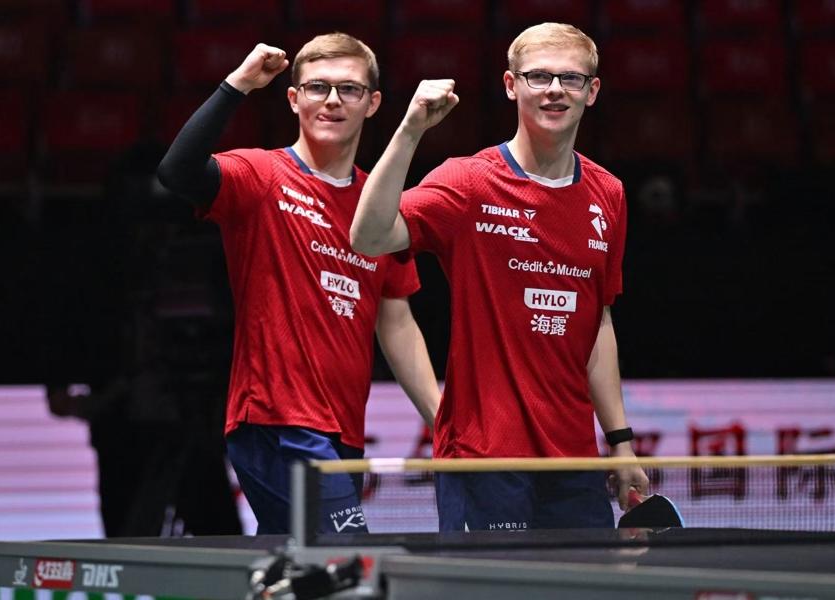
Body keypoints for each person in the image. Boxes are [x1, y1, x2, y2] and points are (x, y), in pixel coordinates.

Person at [350, 23, 649, 531]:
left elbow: (597, 322)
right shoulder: (468, 182)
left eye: (571, 78)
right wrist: (411, 130)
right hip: (483, 456)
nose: (555, 90)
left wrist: (620, 442)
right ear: (511, 85)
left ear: (592, 91)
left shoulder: (608, 194)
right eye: (538, 77)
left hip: (573, 458)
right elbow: (369, 236)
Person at [157, 33, 441, 535]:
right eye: (317, 87)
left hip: (343, 430)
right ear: (293, 98)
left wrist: (443, 423)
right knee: (346, 555)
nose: (332, 100)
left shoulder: (379, 209)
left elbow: (397, 323)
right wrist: (239, 83)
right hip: (277, 420)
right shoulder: (262, 175)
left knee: (299, 562)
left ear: (372, 103)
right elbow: (177, 172)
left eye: (349, 89)